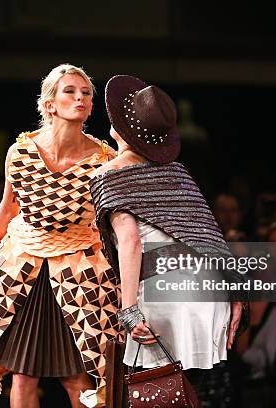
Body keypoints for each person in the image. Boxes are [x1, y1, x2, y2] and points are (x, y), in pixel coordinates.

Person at [0, 63, 120, 408]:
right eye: (70, 91)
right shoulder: (21, 152)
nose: (80, 98)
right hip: (23, 264)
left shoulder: (104, 160)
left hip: (79, 268)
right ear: (49, 104)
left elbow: (114, 224)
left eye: (86, 93)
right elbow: (6, 209)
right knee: (22, 373)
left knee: (78, 375)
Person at [89, 75, 247, 403]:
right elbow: (208, 235)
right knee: (189, 394)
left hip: (166, 297)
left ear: (120, 129)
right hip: (210, 296)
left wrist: (129, 311)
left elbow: (130, 243)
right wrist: (236, 295)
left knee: (155, 393)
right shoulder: (177, 174)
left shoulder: (110, 175)